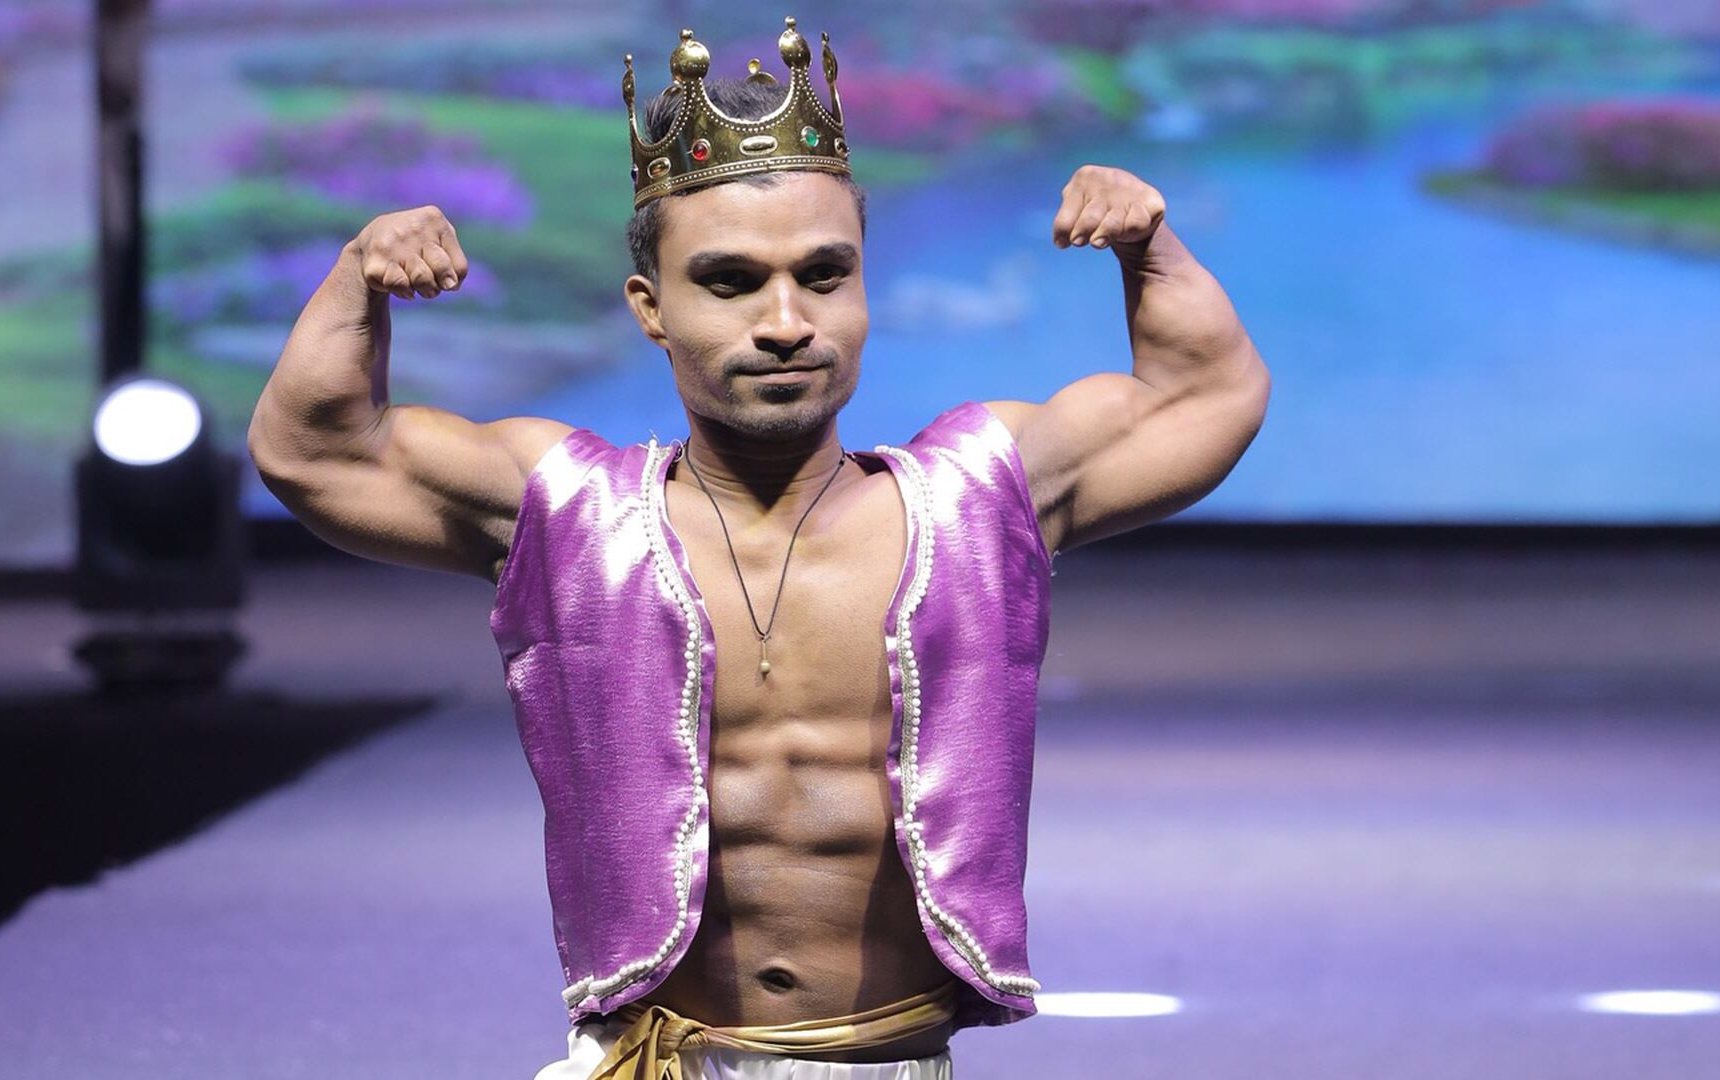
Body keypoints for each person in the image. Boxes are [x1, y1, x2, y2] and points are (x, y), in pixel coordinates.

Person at [248, 17, 1269, 1080]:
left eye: (824, 275)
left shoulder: (981, 493)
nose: (786, 321)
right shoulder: (566, 510)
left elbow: (1206, 396)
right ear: (651, 309)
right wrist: (358, 276)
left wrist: (1150, 246)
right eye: (731, 281)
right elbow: (316, 453)